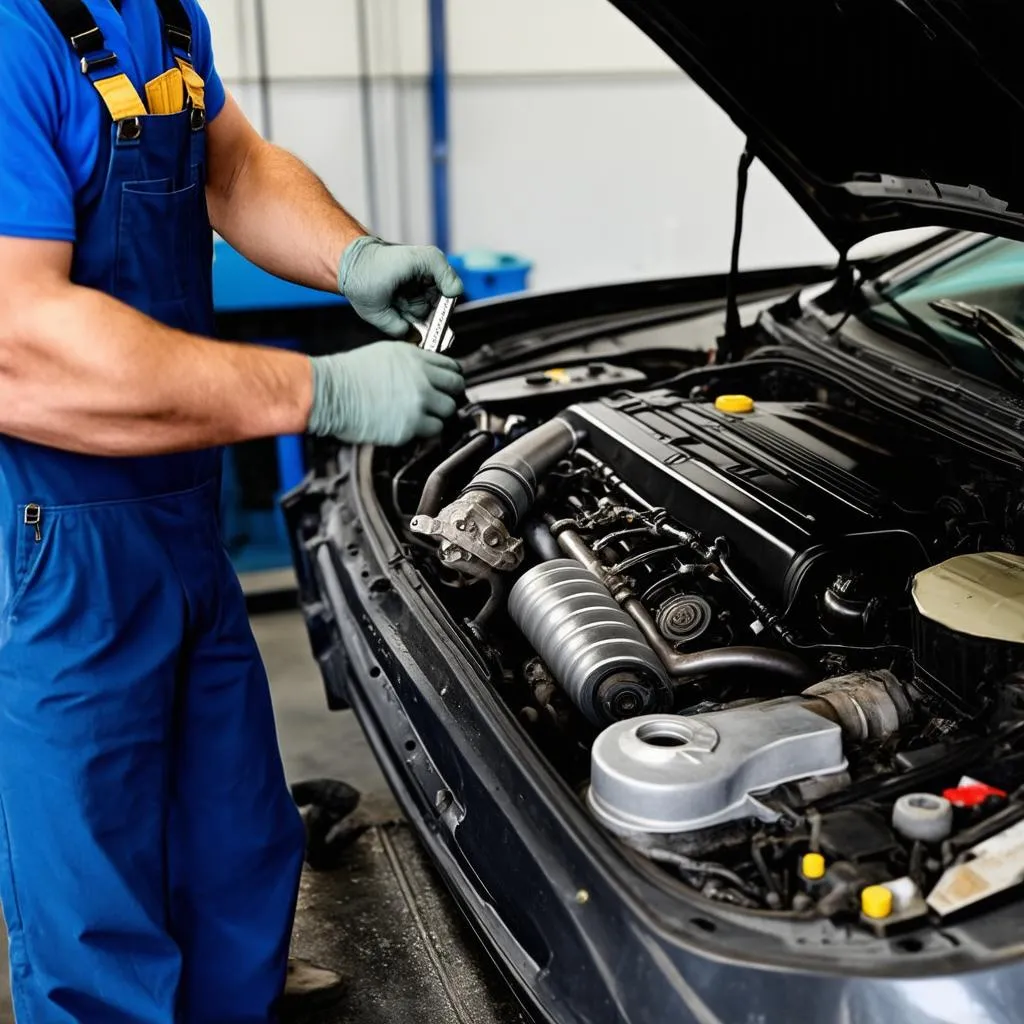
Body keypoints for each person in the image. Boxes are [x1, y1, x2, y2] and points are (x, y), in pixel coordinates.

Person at [0, 0, 466, 1020]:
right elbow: (20, 342)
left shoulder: (163, 14)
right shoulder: (11, 40)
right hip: (54, 528)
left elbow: (237, 165)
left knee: (232, 830)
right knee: (94, 873)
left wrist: (352, 257)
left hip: (179, 498)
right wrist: (317, 390)